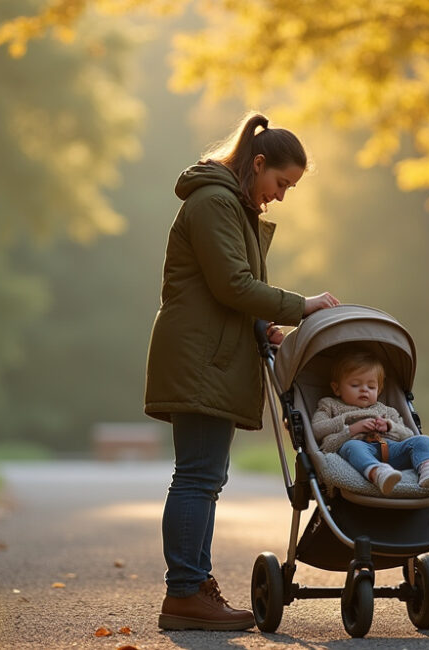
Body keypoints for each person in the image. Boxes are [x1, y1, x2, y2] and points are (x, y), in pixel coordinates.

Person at [145, 112, 339, 631]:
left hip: (213, 354)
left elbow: (229, 293)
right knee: (198, 477)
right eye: (280, 182)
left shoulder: (232, 206)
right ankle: (186, 594)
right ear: (257, 164)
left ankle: (191, 587)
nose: (280, 195)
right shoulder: (214, 204)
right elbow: (232, 284)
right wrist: (303, 306)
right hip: (200, 359)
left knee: (204, 476)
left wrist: (263, 328)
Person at [311, 346, 429, 496]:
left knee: (423, 441)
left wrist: (390, 427)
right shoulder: (329, 405)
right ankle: (378, 473)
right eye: (355, 385)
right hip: (356, 453)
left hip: (391, 450)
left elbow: (408, 435)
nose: (364, 390)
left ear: (379, 390)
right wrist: (352, 429)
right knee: (354, 446)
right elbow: (317, 429)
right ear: (336, 388)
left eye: (371, 386)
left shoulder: (386, 411)